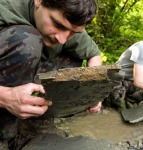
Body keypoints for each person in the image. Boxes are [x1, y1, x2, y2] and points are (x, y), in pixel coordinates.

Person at [0, 0, 102, 120]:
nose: (62, 39)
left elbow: (94, 55)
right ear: (39, 1)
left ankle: (41, 118)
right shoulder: (4, 10)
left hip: (30, 78)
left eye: (73, 33)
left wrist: (93, 92)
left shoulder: (69, 24)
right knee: (27, 40)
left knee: (73, 60)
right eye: (58, 25)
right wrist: (5, 97)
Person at [104, 41, 143, 110]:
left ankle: (131, 104)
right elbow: (138, 82)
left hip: (132, 82)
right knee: (117, 107)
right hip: (118, 77)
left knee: (132, 109)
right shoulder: (141, 47)